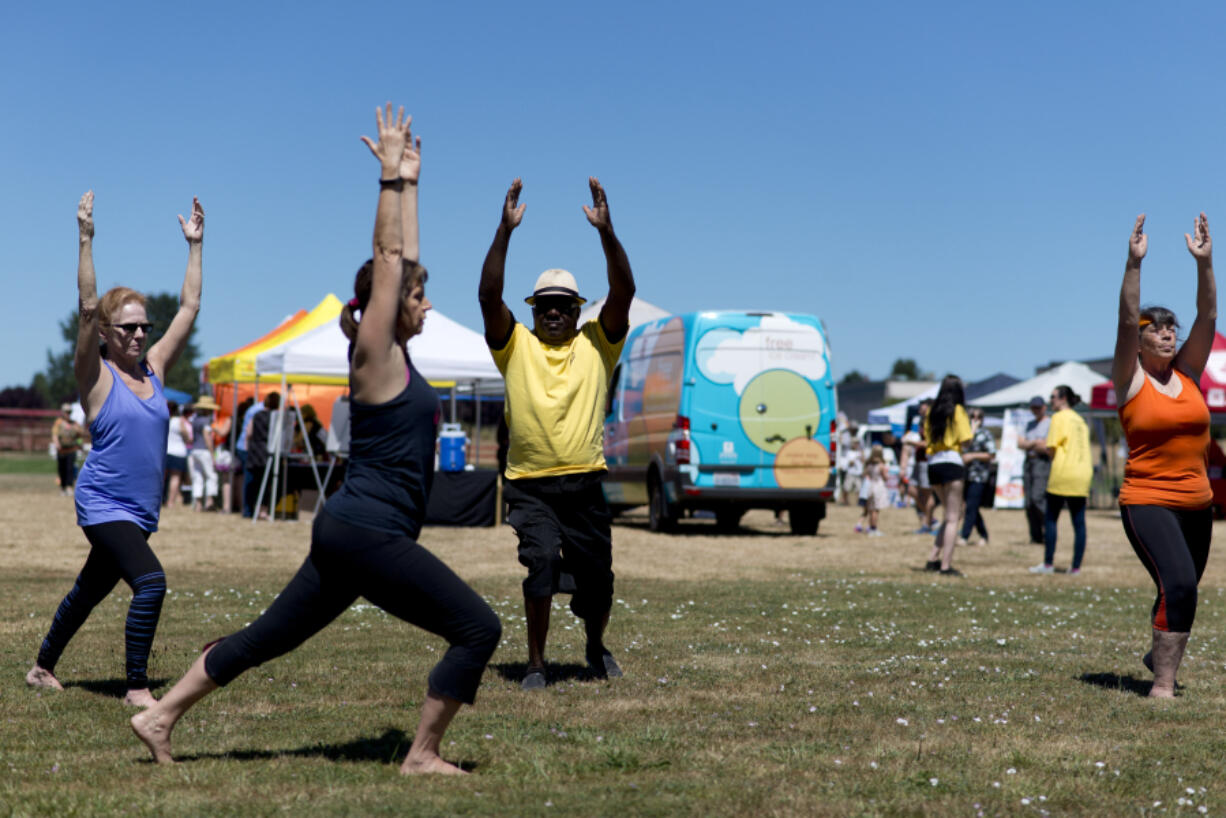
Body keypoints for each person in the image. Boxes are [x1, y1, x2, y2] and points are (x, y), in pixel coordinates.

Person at [131, 105, 501, 771]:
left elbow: (405, 261)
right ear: (385, 305)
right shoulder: (373, 352)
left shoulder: (397, 357)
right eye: (418, 298)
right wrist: (388, 181)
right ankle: (422, 755)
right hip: (368, 533)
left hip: (351, 531)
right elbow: (391, 258)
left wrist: (412, 180)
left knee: (270, 637)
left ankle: (159, 715)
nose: (427, 303)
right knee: (478, 628)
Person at [26, 190, 203, 708]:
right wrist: (85, 239)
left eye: (145, 326)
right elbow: (85, 309)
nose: (141, 334)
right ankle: (137, 688)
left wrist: (195, 246)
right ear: (107, 332)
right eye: (128, 327)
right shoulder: (96, 376)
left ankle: (42, 668)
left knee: (89, 590)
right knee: (151, 582)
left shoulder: (155, 369)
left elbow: (190, 307)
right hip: (103, 503)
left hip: (140, 512)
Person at [479, 175, 635, 691]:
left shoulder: (599, 342)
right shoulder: (514, 345)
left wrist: (607, 233)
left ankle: (594, 644)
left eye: (562, 305)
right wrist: (504, 231)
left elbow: (624, 290)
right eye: (543, 304)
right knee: (541, 562)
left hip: (586, 485)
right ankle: (536, 664)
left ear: (576, 310)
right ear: (532, 310)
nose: (551, 311)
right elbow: (488, 294)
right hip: (531, 485)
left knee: (599, 582)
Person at [1112, 212, 1215, 698]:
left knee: (1183, 590)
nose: (1168, 334)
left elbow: (1209, 316)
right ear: (1142, 340)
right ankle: (1163, 685)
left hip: (1197, 503)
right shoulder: (1129, 380)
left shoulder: (1189, 374)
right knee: (1177, 583)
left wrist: (1205, 263)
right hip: (1147, 498)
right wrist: (1134, 264)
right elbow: (1128, 318)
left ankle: (1159, 654)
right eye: (1159, 328)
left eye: (1172, 328)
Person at [1028, 385, 1091, 575]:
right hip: (1082, 474)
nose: (1050, 400)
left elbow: (1051, 449)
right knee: (1079, 523)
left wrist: (1035, 447)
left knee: (1051, 519)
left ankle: (1048, 564)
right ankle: (1076, 567)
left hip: (1063, 473)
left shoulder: (1058, 417)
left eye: (1053, 397)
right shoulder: (1080, 420)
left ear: (1063, 398)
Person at [923, 376, 972, 576]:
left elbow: (927, 438)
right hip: (952, 463)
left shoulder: (931, 412)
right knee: (954, 517)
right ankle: (945, 566)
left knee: (949, 514)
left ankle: (933, 557)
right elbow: (966, 439)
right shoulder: (958, 411)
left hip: (933, 465)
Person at [958, 407, 995, 546]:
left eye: (978, 417)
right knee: (970, 507)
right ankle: (984, 535)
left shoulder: (986, 434)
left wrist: (973, 456)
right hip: (965, 475)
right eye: (972, 417)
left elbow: (991, 454)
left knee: (971, 506)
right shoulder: (966, 434)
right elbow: (964, 447)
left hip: (979, 476)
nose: (975, 420)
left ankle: (964, 536)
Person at [1017, 396, 1051, 544]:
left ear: (1044, 407)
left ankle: (1049, 531)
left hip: (1042, 462)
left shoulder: (1050, 423)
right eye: (1033, 407)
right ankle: (1035, 536)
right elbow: (1020, 443)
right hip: (1028, 462)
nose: (1035, 410)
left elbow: (1047, 446)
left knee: (1038, 498)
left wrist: (1029, 444)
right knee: (1029, 502)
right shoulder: (1028, 424)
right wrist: (1035, 442)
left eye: (1038, 407)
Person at [244, 392, 281, 519]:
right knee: (266, 483)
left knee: (254, 482)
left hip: (255, 451)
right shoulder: (277, 417)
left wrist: (248, 446)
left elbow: (248, 432)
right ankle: (263, 510)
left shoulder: (257, 415)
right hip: (268, 452)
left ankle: (251, 509)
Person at [188, 396, 220, 511]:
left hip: (194, 450)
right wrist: (213, 454)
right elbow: (207, 437)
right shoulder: (206, 421)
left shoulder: (195, 420)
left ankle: (198, 504)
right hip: (204, 450)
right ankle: (209, 502)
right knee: (211, 476)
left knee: (198, 476)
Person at [51, 403, 84, 495]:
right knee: (62, 469)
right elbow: (55, 434)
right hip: (61, 450)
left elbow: (80, 435)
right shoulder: (58, 423)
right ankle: (63, 487)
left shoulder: (74, 423)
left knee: (70, 469)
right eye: (66, 412)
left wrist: (80, 444)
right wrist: (56, 443)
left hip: (71, 449)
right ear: (62, 412)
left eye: (69, 412)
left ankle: (69, 487)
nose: (68, 414)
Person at [164, 401, 191, 507]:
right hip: (178, 452)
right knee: (175, 478)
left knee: (162, 478)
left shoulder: (163, 420)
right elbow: (187, 436)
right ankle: (170, 502)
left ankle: (160, 500)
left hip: (165, 451)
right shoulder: (178, 421)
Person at [862, 444, 889, 537]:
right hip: (878, 486)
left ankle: (870, 527)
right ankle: (874, 529)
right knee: (876, 510)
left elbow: (865, 474)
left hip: (870, 486)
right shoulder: (881, 465)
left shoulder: (868, 464)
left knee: (870, 509)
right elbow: (886, 478)